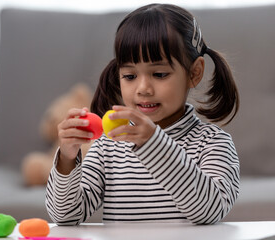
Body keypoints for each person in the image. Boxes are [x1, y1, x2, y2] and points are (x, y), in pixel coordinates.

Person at [46, 3, 240, 225]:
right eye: (130, 76)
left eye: (159, 74)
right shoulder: (107, 147)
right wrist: (67, 158)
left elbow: (210, 211)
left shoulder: (214, 144)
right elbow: (66, 216)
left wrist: (153, 143)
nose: (143, 88)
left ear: (194, 73)